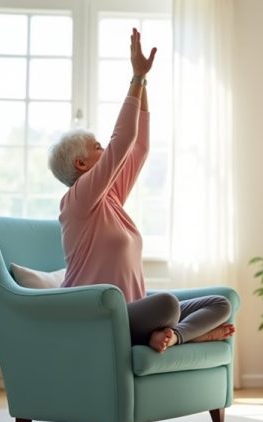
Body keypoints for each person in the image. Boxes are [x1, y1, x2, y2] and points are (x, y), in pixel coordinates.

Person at [48, 28, 235, 353]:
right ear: (81, 164)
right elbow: (122, 142)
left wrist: (144, 81)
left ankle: (172, 337)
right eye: (97, 147)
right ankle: (176, 331)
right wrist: (135, 77)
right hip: (98, 315)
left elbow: (139, 147)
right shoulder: (77, 201)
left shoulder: (109, 199)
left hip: (133, 312)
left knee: (220, 304)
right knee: (165, 306)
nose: (105, 150)